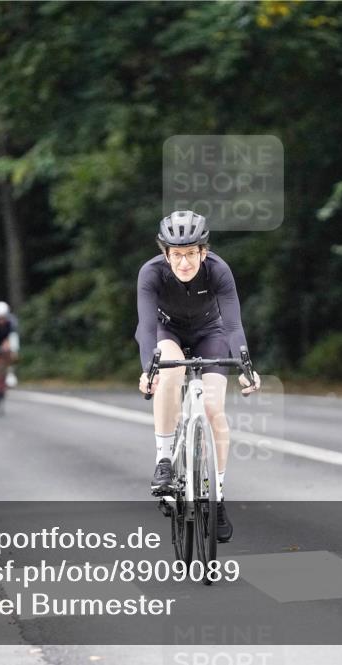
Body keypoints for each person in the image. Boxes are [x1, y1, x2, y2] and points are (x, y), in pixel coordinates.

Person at [135, 210, 260, 543]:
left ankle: (217, 499)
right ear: (166, 254)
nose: (185, 262)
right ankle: (164, 460)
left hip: (210, 331)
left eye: (191, 253)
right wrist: (149, 368)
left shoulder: (218, 271)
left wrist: (246, 367)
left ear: (203, 252)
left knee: (214, 410)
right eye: (177, 254)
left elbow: (233, 325)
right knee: (170, 370)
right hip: (167, 331)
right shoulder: (150, 274)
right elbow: (146, 328)